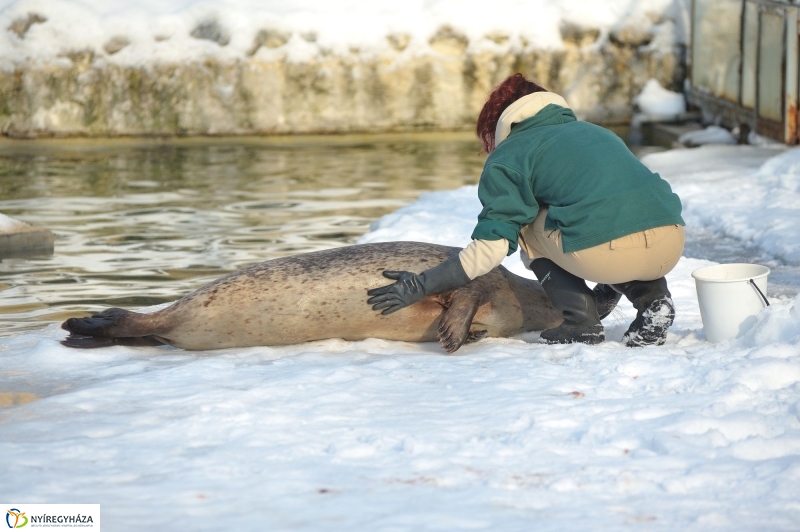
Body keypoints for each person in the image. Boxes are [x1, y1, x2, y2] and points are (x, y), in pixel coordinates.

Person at [367, 73, 685, 347]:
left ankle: (581, 322)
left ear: (499, 125)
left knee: (525, 224)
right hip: (670, 242)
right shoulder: (595, 132)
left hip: (610, 252)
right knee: (613, 214)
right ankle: (653, 301)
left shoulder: (512, 154)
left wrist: (421, 286)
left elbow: (489, 249)